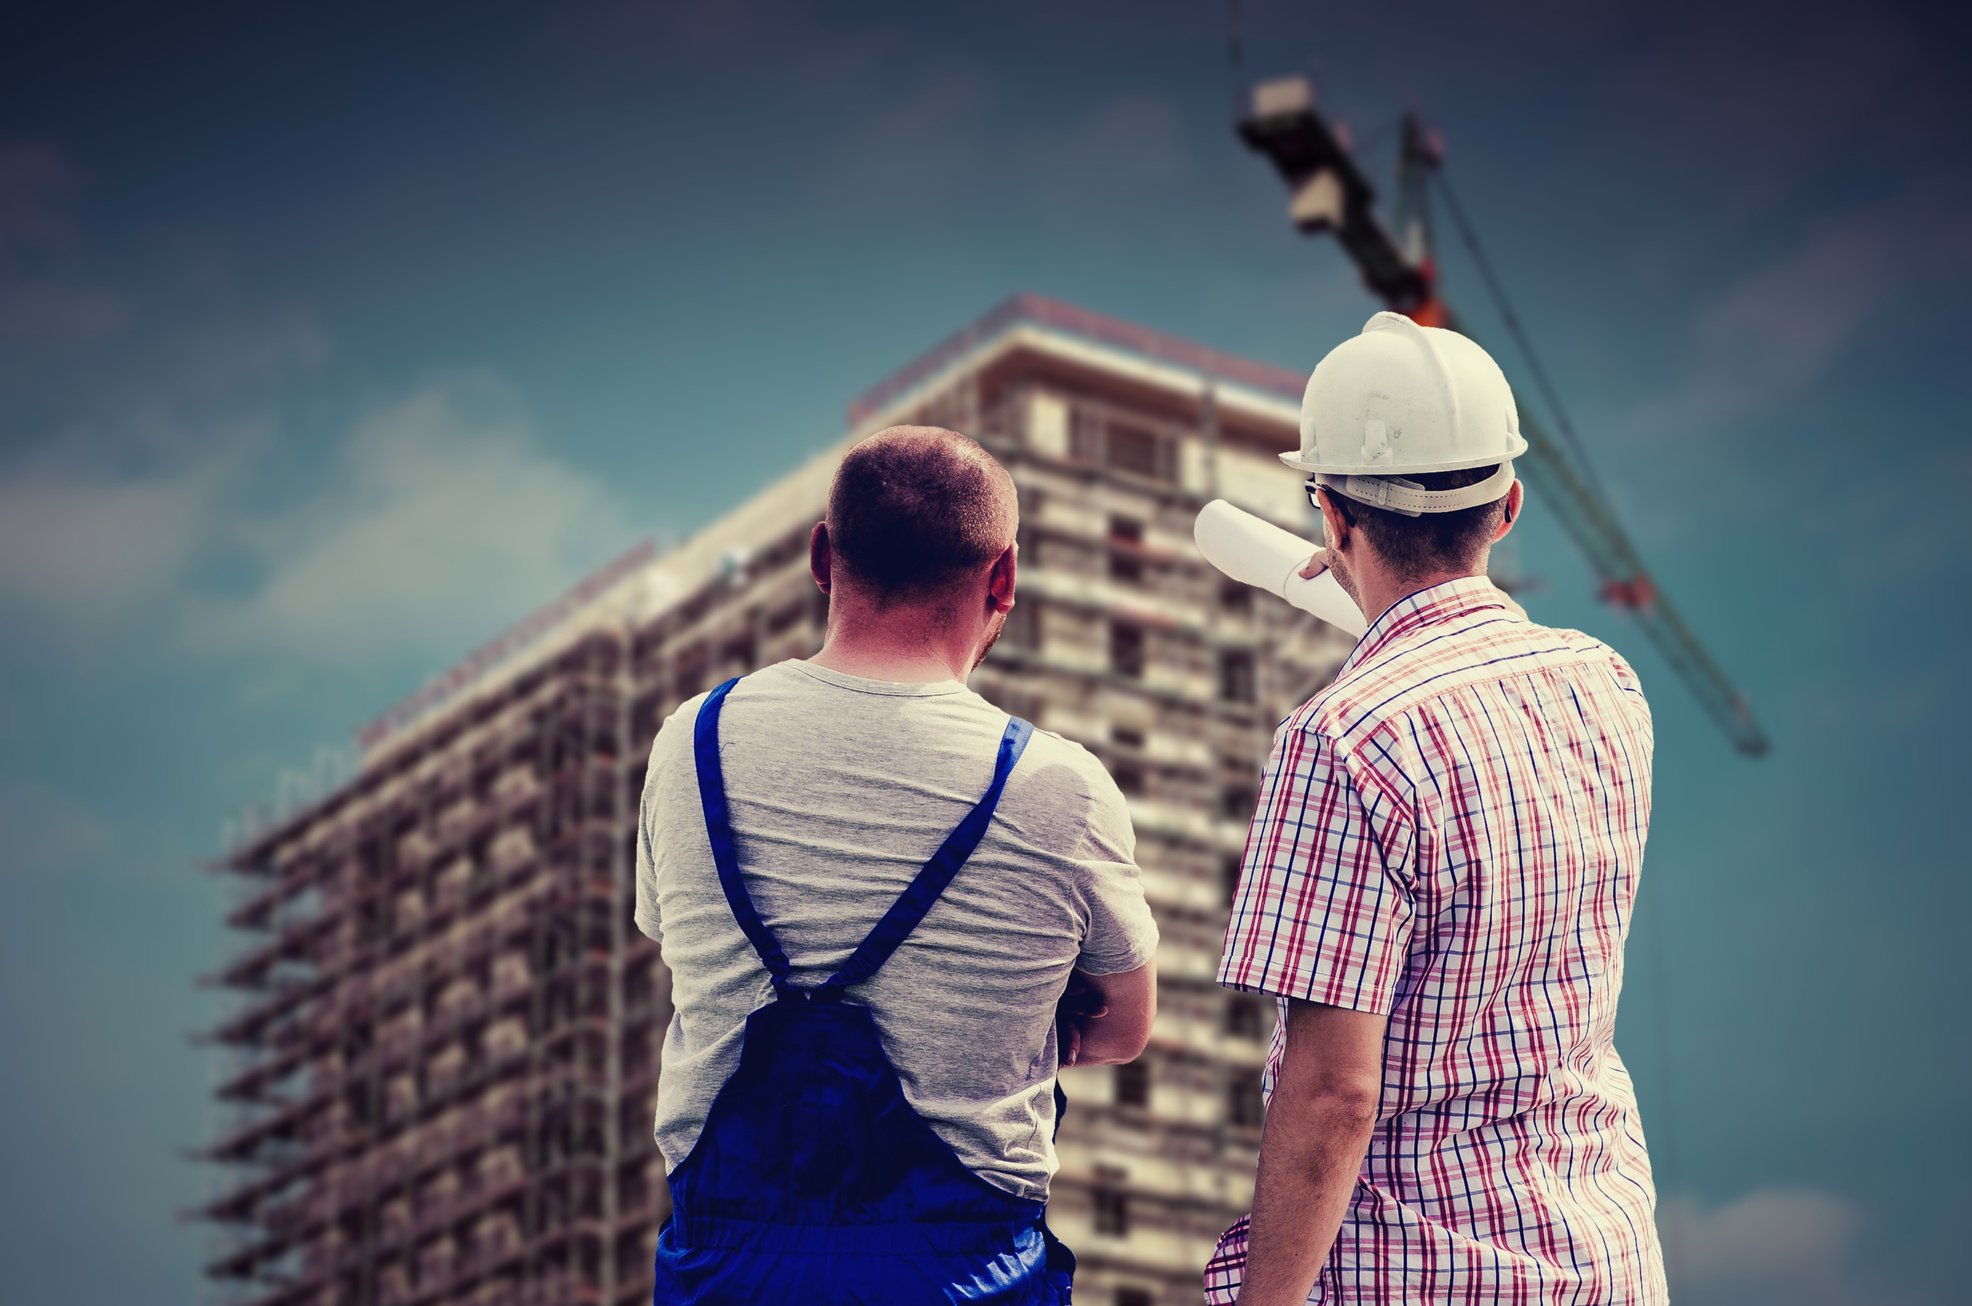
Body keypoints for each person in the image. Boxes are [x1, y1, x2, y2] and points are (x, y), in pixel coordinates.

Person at [636, 424, 1159, 1304]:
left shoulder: (693, 741)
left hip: (728, 1275)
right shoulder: (1058, 788)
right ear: (1004, 578)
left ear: (820, 556)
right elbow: (1125, 1026)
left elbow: (675, 945)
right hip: (966, 1276)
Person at [1206, 313, 1667, 1305]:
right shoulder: (1607, 687)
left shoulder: (1340, 743)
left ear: (1330, 516)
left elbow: (1333, 1094)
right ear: (1507, 506)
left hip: (1422, 1277)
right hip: (1604, 1257)